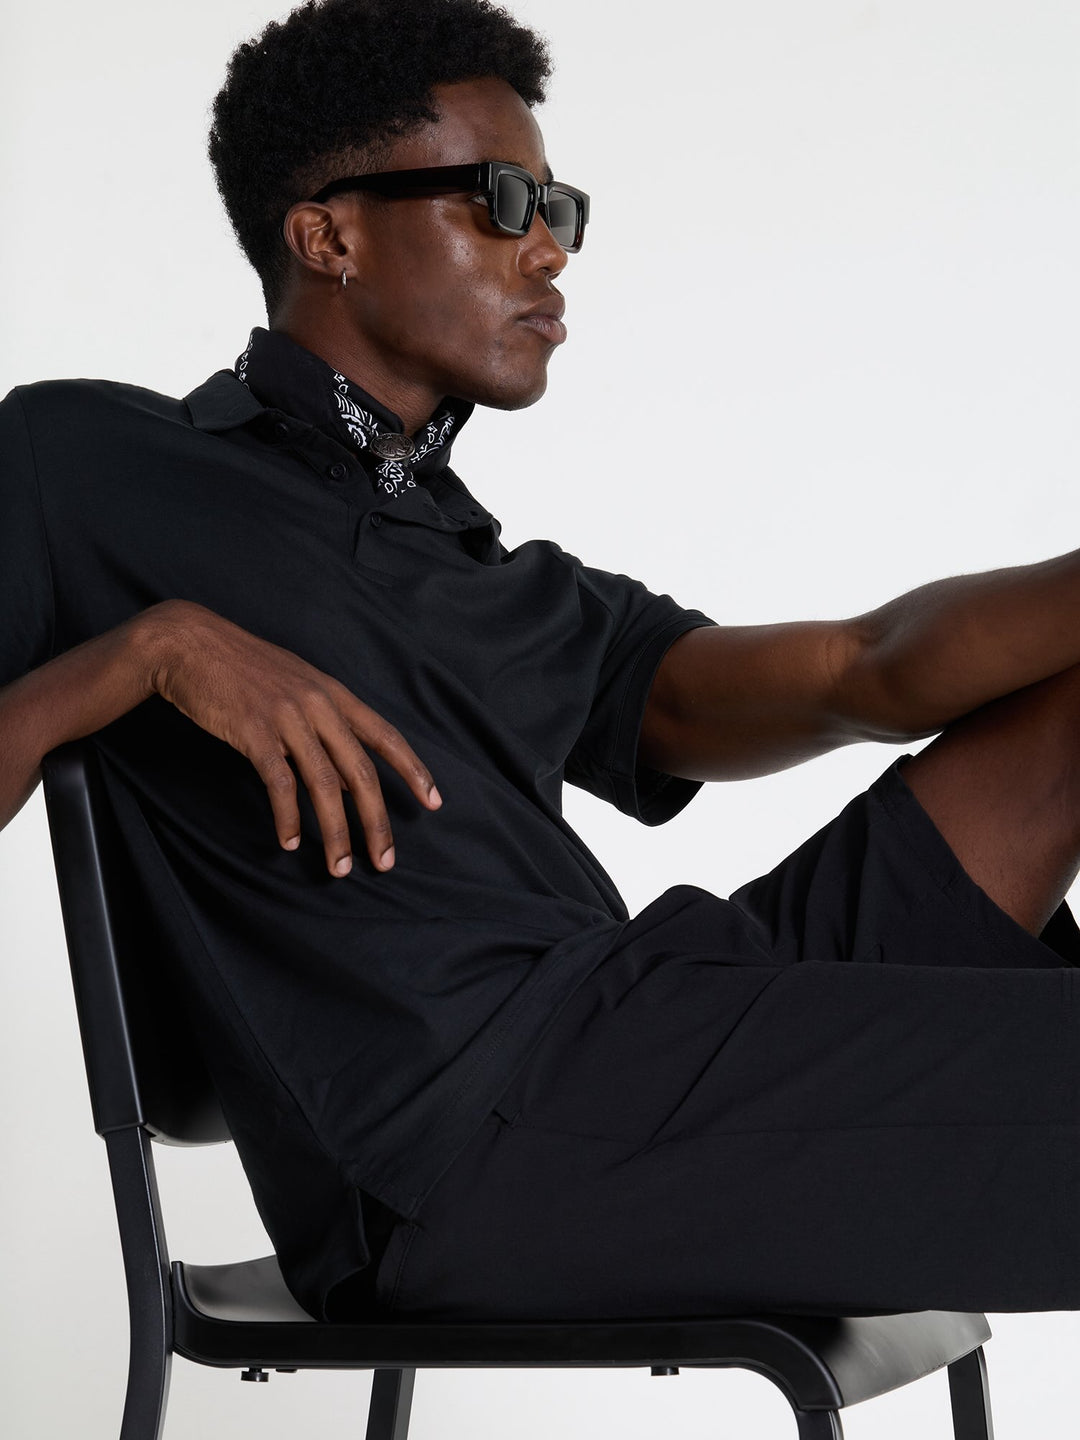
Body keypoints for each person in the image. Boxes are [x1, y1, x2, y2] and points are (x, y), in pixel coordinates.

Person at [3, 0, 1080, 1325]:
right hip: (478, 1147)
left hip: (651, 1026)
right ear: (329, 236)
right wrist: (145, 654)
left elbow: (868, 671)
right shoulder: (85, 466)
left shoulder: (512, 588)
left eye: (559, 208)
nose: (551, 249)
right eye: (504, 200)